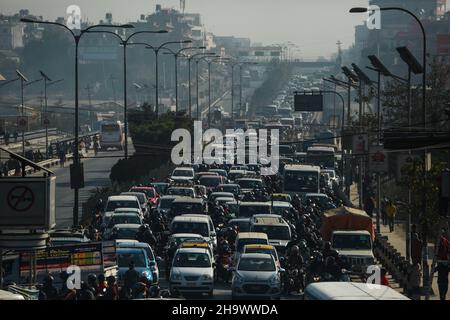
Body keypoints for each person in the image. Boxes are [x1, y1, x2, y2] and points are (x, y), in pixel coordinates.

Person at [436, 232, 449, 301]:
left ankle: (442, 297)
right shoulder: (444, 241)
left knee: (442, 293)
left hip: (442, 280)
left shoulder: (442, 241)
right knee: (443, 293)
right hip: (443, 281)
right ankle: (443, 297)